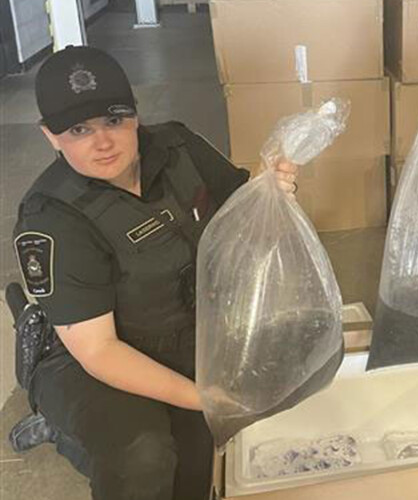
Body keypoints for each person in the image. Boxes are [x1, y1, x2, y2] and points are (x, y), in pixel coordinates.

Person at [10, 45, 299, 500]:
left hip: (183, 330)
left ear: (135, 115)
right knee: (143, 455)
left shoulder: (177, 148)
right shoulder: (53, 216)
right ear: (51, 136)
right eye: (79, 129)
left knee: (199, 471)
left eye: (114, 120)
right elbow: (99, 351)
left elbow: (242, 220)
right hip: (90, 356)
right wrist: (204, 398)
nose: (103, 142)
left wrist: (271, 190)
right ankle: (66, 429)